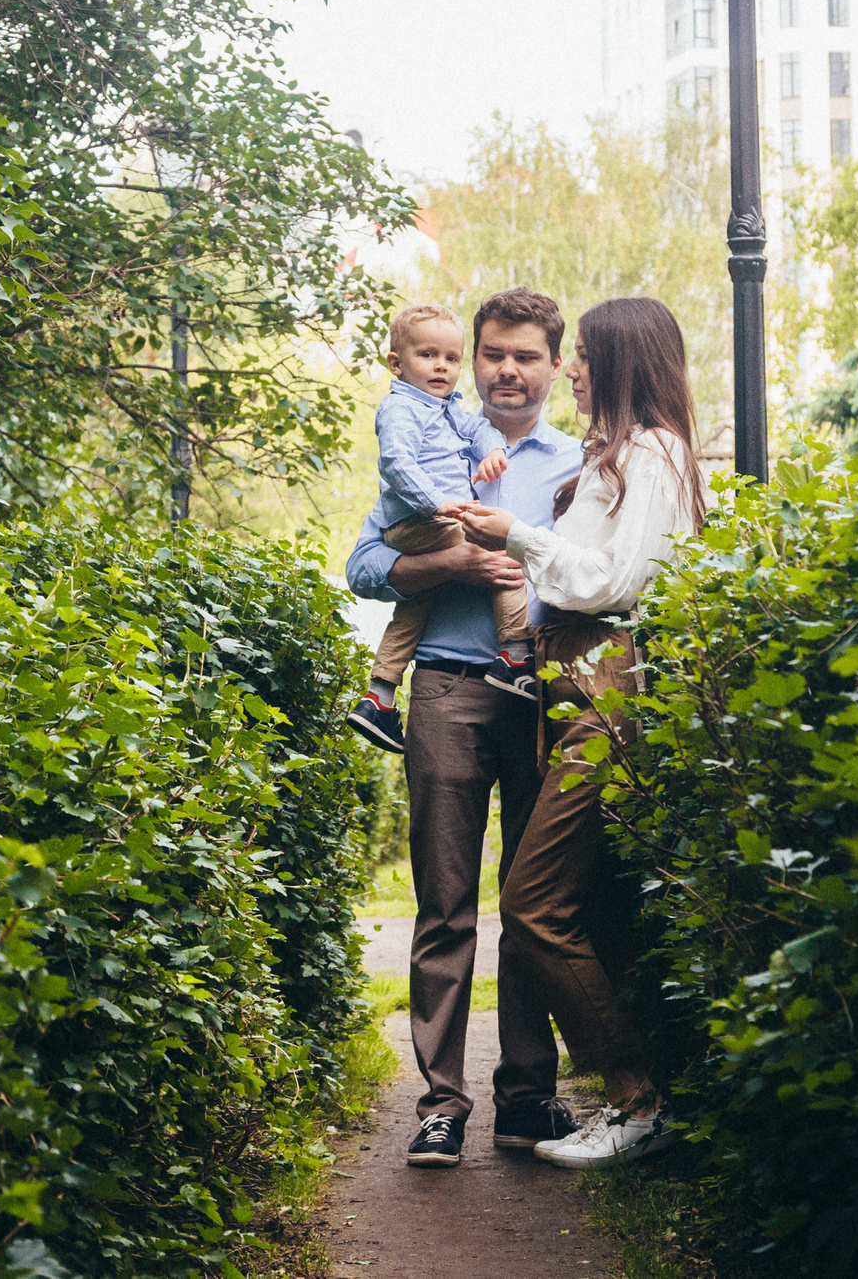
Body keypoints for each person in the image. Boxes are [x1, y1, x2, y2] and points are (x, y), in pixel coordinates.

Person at [444, 295, 706, 1172]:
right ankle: (653, 1097)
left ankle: (640, 1100)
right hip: (567, 680)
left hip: (605, 681)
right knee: (588, 904)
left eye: (586, 355)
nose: (574, 369)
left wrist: (516, 534)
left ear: (622, 361)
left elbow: (608, 578)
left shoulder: (656, 453)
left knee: (533, 901)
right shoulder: (614, 456)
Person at [345, 286, 584, 1170]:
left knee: (531, 903)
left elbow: (599, 574)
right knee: (445, 905)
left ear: (555, 365)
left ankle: (528, 1097)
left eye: (526, 355)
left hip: (541, 698)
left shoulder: (581, 463)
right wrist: (450, 558)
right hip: (444, 690)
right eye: (493, 354)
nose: (507, 370)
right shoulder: (434, 440)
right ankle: (442, 1103)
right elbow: (365, 563)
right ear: (473, 361)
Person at [347, 303, 533, 758]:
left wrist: (491, 452)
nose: (441, 367)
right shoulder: (401, 409)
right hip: (422, 520)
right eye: (429, 355)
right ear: (396, 363)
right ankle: (514, 651)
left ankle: (380, 695)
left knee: (418, 602)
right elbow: (395, 463)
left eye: (450, 358)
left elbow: (481, 429)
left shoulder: (450, 409)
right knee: (501, 552)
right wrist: (437, 504)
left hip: (430, 521)